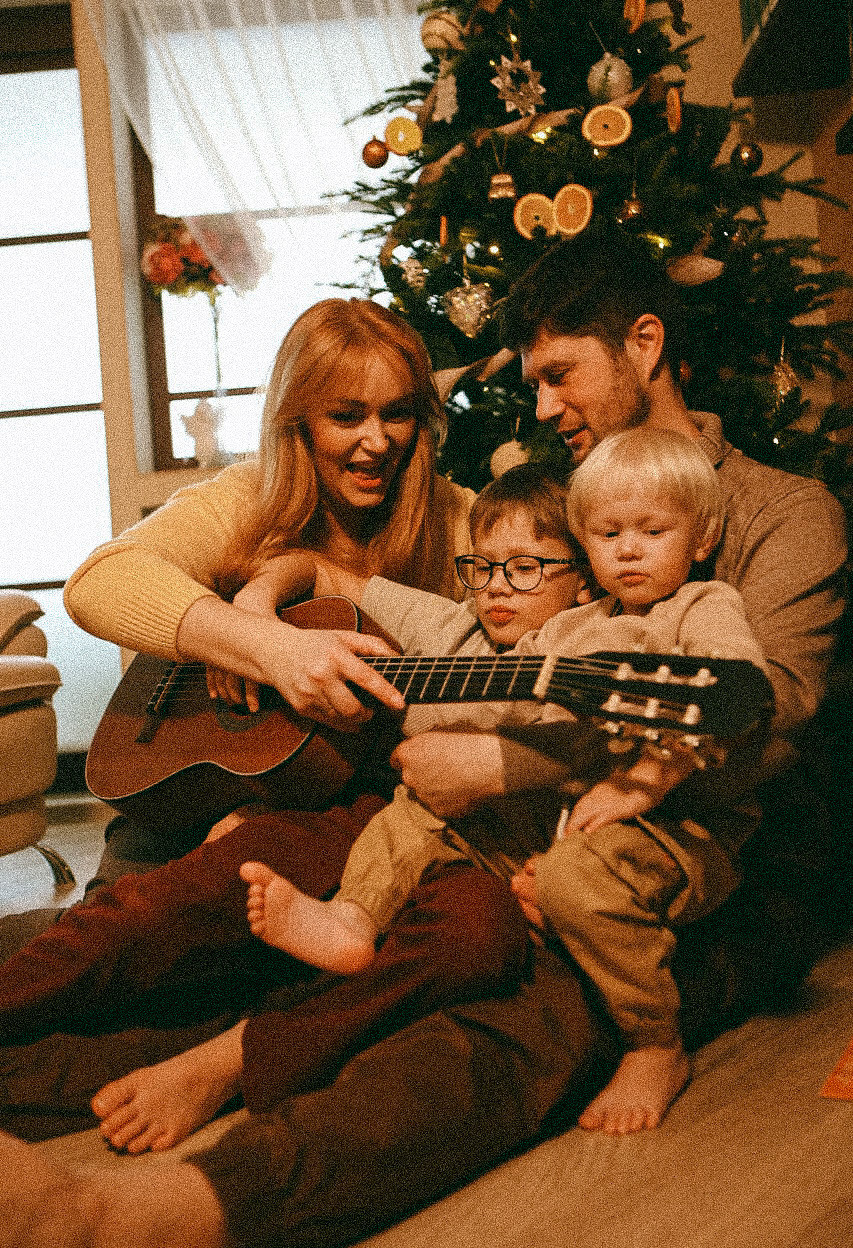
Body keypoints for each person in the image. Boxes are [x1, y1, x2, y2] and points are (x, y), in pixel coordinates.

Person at [0, 228, 846, 1248]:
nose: (538, 410)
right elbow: (441, 616)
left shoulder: (775, 515)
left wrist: (508, 771)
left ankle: (155, 1208)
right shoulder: (556, 495)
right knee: (247, 888)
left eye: (556, 376)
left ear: (645, 343)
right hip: (448, 810)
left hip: (624, 850)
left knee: (492, 1005)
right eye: (344, 415)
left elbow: (765, 714)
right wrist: (266, 614)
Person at [0, 296, 530, 1146]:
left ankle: (222, 1058)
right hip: (190, 816)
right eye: (344, 416)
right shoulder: (245, 498)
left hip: (358, 839)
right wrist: (256, 644)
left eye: (398, 414)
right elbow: (99, 582)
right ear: (294, 422)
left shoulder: (464, 523)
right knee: (131, 947)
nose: (375, 441)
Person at [244, 428, 769, 1134]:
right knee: (413, 812)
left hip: (674, 832)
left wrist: (646, 779)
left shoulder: (700, 608)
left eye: (652, 530)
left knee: (574, 880)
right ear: (586, 546)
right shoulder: (573, 626)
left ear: (699, 537)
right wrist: (421, 718)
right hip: (557, 823)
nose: (629, 549)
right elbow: (504, 697)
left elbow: (739, 697)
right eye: (609, 533)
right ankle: (352, 917)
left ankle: (654, 1043)